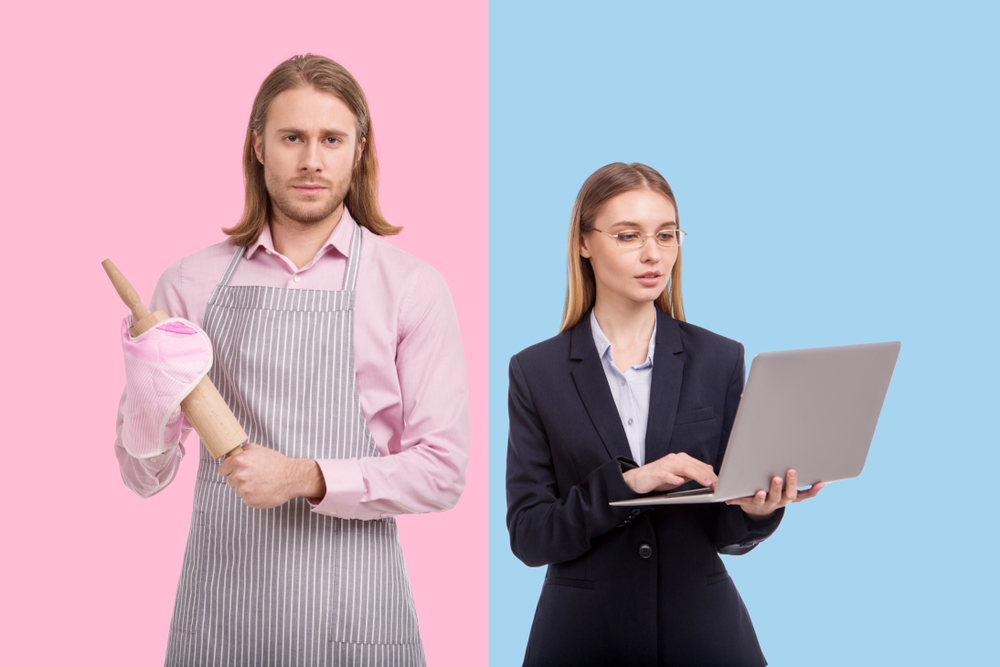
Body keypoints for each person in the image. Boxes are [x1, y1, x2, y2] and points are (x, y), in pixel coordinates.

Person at [113, 54, 469, 667]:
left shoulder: (410, 287)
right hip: (221, 619)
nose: (312, 160)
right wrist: (149, 390)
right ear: (258, 146)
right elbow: (144, 478)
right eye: (292, 138)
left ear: (358, 150)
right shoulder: (189, 284)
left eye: (332, 139)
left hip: (357, 618)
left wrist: (304, 477)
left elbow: (443, 472)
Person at [505, 162, 822, 666]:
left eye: (667, 235)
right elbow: (529, 535)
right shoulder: (535, 372)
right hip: (583, 640)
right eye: (629, 236)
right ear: (584, 243)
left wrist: (759, 511)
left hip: (704, 636)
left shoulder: (719, 359)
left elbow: (725, 531)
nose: (654, 254)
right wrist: (628, 484)